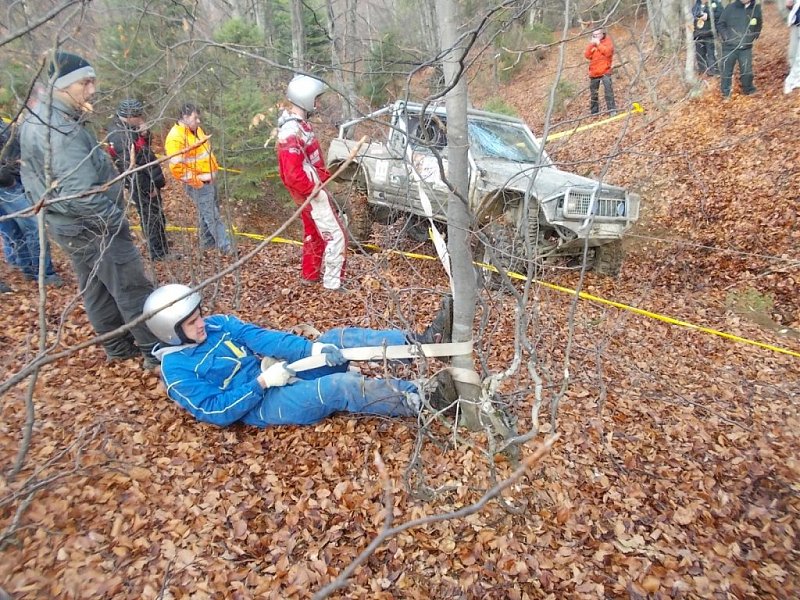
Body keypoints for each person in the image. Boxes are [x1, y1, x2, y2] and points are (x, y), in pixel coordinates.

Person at [144, 284, 455, 427]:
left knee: (335, 339)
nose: (202, 323)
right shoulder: (176, 372)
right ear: (172, 330)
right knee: (339, 386)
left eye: (199, 315)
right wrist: (262, 384)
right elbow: (216, 411)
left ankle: (421, 345)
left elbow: (263, 338)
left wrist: (313, 350)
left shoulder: (217, 324)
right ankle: (425, 401)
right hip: (261, 405)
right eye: (192, 322)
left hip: (278, 371)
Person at [19, 51, 158, 368]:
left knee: (95, 286)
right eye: (86, 82)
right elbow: (82, 193)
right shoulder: (60, 131)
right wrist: (115, 222)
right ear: (62, 86)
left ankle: (119, 348)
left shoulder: (39, 119)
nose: (92, 89)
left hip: (67, 225)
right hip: (93, 225)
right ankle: (155, 350)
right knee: (131, 285)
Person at [276, 74, 347, 291]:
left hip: (312, 189)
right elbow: (292, 173)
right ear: (305, 98)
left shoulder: (300, 125)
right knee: (337, 236)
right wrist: (314, 191)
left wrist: (324, 179)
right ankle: (333, 284)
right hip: (309, 192)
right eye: (315, 99)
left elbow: (312, 161)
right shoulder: (291, 131)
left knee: (314, 233)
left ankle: (310, 275)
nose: (317, 103)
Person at [107, 98, 171, 261]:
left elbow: (144, 147)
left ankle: (161, 244)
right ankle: (158, 253)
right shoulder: (120, 137)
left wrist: (144, 133)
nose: (142, 120)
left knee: (157, 215)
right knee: (151, 217)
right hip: (141, 183)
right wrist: (148, 188)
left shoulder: (129, 129)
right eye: (139, 116)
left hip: (148, 176)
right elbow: (132, 169)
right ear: (129, 116)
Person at [164, 103, 232, 254]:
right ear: (185, 117)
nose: (198, 121)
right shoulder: (175, 138)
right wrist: (199, 181)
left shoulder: (195, 130)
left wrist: (211, 174)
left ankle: (208, 243)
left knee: (206, 213)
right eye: (195, 118)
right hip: (198, 184)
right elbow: (176, 168)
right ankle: (226, 246)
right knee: (212, 215)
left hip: (209, 181)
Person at [0, 119, 61, 286]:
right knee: (33, 226)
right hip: (7, 185)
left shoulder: (6, 125)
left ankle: (29, 270)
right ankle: (45, 274)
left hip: (13, 179)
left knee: (14, 230)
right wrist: (6, 179)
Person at [718, 0, 762, 99]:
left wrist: (754, 36)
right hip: (729, 47)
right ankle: (725, 93)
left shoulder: (756, 9)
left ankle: (748, 90)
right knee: (726, 71)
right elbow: (720, 24)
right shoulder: (730, 8)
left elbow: (759, 24)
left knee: (747, 71)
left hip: (746, 47)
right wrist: (726, 37)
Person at [584, 28, 617, 116]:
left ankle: (612, 110)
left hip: (605, 71)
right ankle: (594, 112)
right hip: (594, 72)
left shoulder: (608, 42)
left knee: (608, 91)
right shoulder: (593, 44)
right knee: (594, 93)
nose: (596, 36)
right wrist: (591, 44)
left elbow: (608, 53)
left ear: (602, 34)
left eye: (597, 34)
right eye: (594, 35)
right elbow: (587, 55)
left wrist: (598, 44)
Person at [692, 0, 722, 75]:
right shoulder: (696, 5)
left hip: (710, 33)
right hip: (698, 34)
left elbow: (721, 13)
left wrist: (708, 16)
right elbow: (693, 14)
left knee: (711, 53)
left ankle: (714, 72)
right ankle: (703, 72)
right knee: (700, 54)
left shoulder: (715, 3)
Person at [785, 0, 800, 94]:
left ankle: (791, 81)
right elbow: (788, 4)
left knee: (798, 57)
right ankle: (793, 79)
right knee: (793, 54)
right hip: (796, 23)